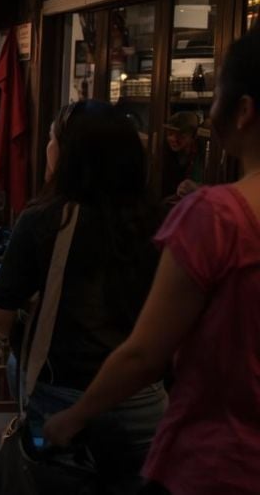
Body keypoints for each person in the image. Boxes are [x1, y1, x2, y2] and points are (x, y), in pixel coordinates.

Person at [43, 31, 260, 494]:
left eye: (217, 93)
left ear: (243, 111)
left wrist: (73, 418)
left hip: (219, 460)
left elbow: (144, 354)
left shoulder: (216, 216)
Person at [0, 100, 166, 492]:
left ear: (68, 155)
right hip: (145, 401)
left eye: (52, 139)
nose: (47, 147)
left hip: (62, 396)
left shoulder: (44, 219)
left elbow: (0, 317)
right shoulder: (159, 220)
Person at [159, 110, 204, 202]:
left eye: (181, 136)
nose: (173, 139)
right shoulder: (165, 151)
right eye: (170, 134)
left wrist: (197, 187)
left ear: (194, 137)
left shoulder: (201, 153)